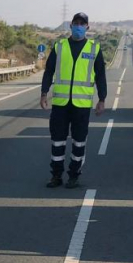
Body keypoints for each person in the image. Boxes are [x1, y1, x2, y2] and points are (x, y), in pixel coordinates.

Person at [40, 12, 107, 189]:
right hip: (60, 105)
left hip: (81, 106)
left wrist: (102, 99)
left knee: (79, 142)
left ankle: (74, 176)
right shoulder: (59, 46)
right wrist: (44, 92)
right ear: (70, 25)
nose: (78, 26)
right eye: (76, 23)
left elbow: (100, 76)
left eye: (82, 24)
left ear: (87, 27)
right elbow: (48, 71)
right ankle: (56, 176)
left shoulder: (94, 49)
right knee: (57, 141)